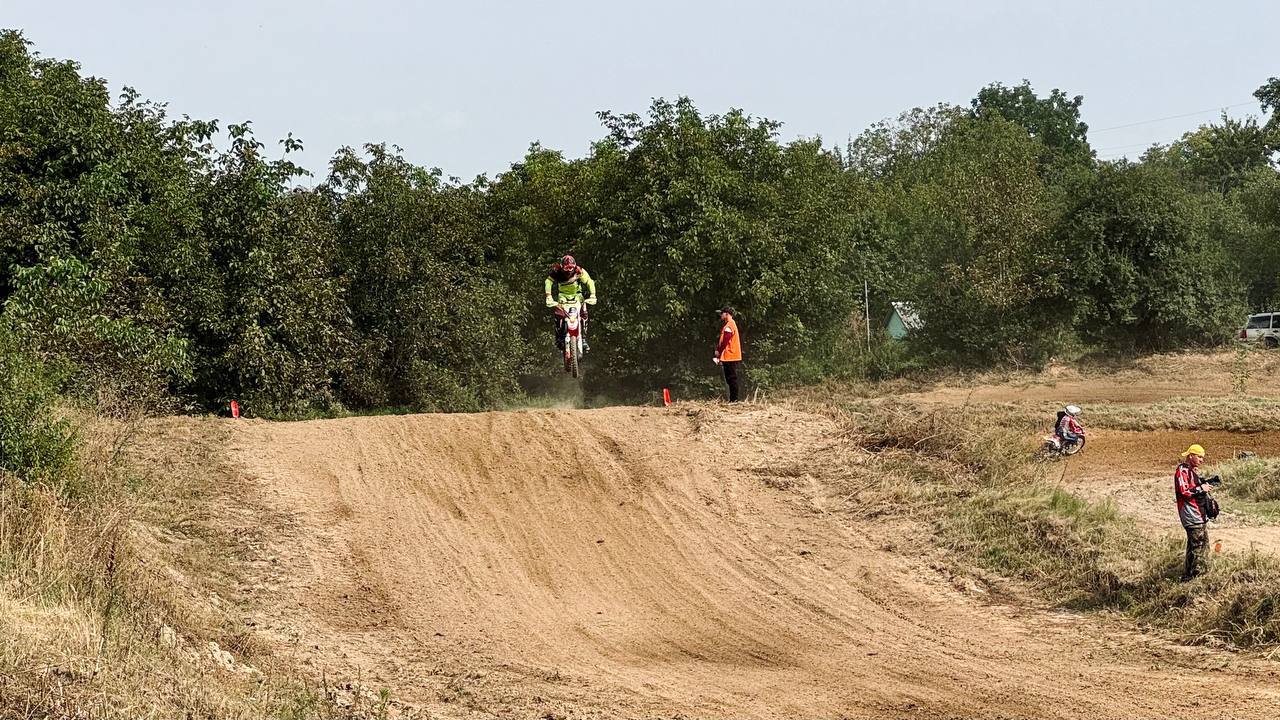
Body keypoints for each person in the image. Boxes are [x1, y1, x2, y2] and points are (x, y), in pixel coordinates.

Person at [1174, 444, 1213, 581]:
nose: (1202, 460)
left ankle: (1189, 576)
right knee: (1199, 547)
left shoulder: (1190, 471)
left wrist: (1201, 484)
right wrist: (1201, 488)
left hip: (1197, 515)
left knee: (1196, 546)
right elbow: (1184, 491)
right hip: (1191, 515)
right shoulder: (1182, 471)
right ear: (1191, 456)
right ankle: (1196, 577)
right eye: (1199, 457)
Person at [544, 255, 596, 352]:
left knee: (584, 312)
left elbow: (589, 281)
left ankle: (583, 339)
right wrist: (548, 296)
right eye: (567, 268)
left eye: (571, 267)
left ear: (574, 266)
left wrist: (593, 295)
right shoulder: (556, 271)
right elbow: (548, 281)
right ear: (562, 266)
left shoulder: (579, 271)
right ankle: (559, 338)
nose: (569, 270)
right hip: (563, 297)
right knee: (558, 314)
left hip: (577, 296)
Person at [713, 306, 743, 402]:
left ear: (727, 314)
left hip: (730, 355)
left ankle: (734, 399)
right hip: (729, 355)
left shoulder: (729, 325)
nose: (720, 315)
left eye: (722, 313)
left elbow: (726, 340)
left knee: (731, 378)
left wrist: (719, 351)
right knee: (730, 378)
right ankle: (733, 399)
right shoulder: (730, 324)